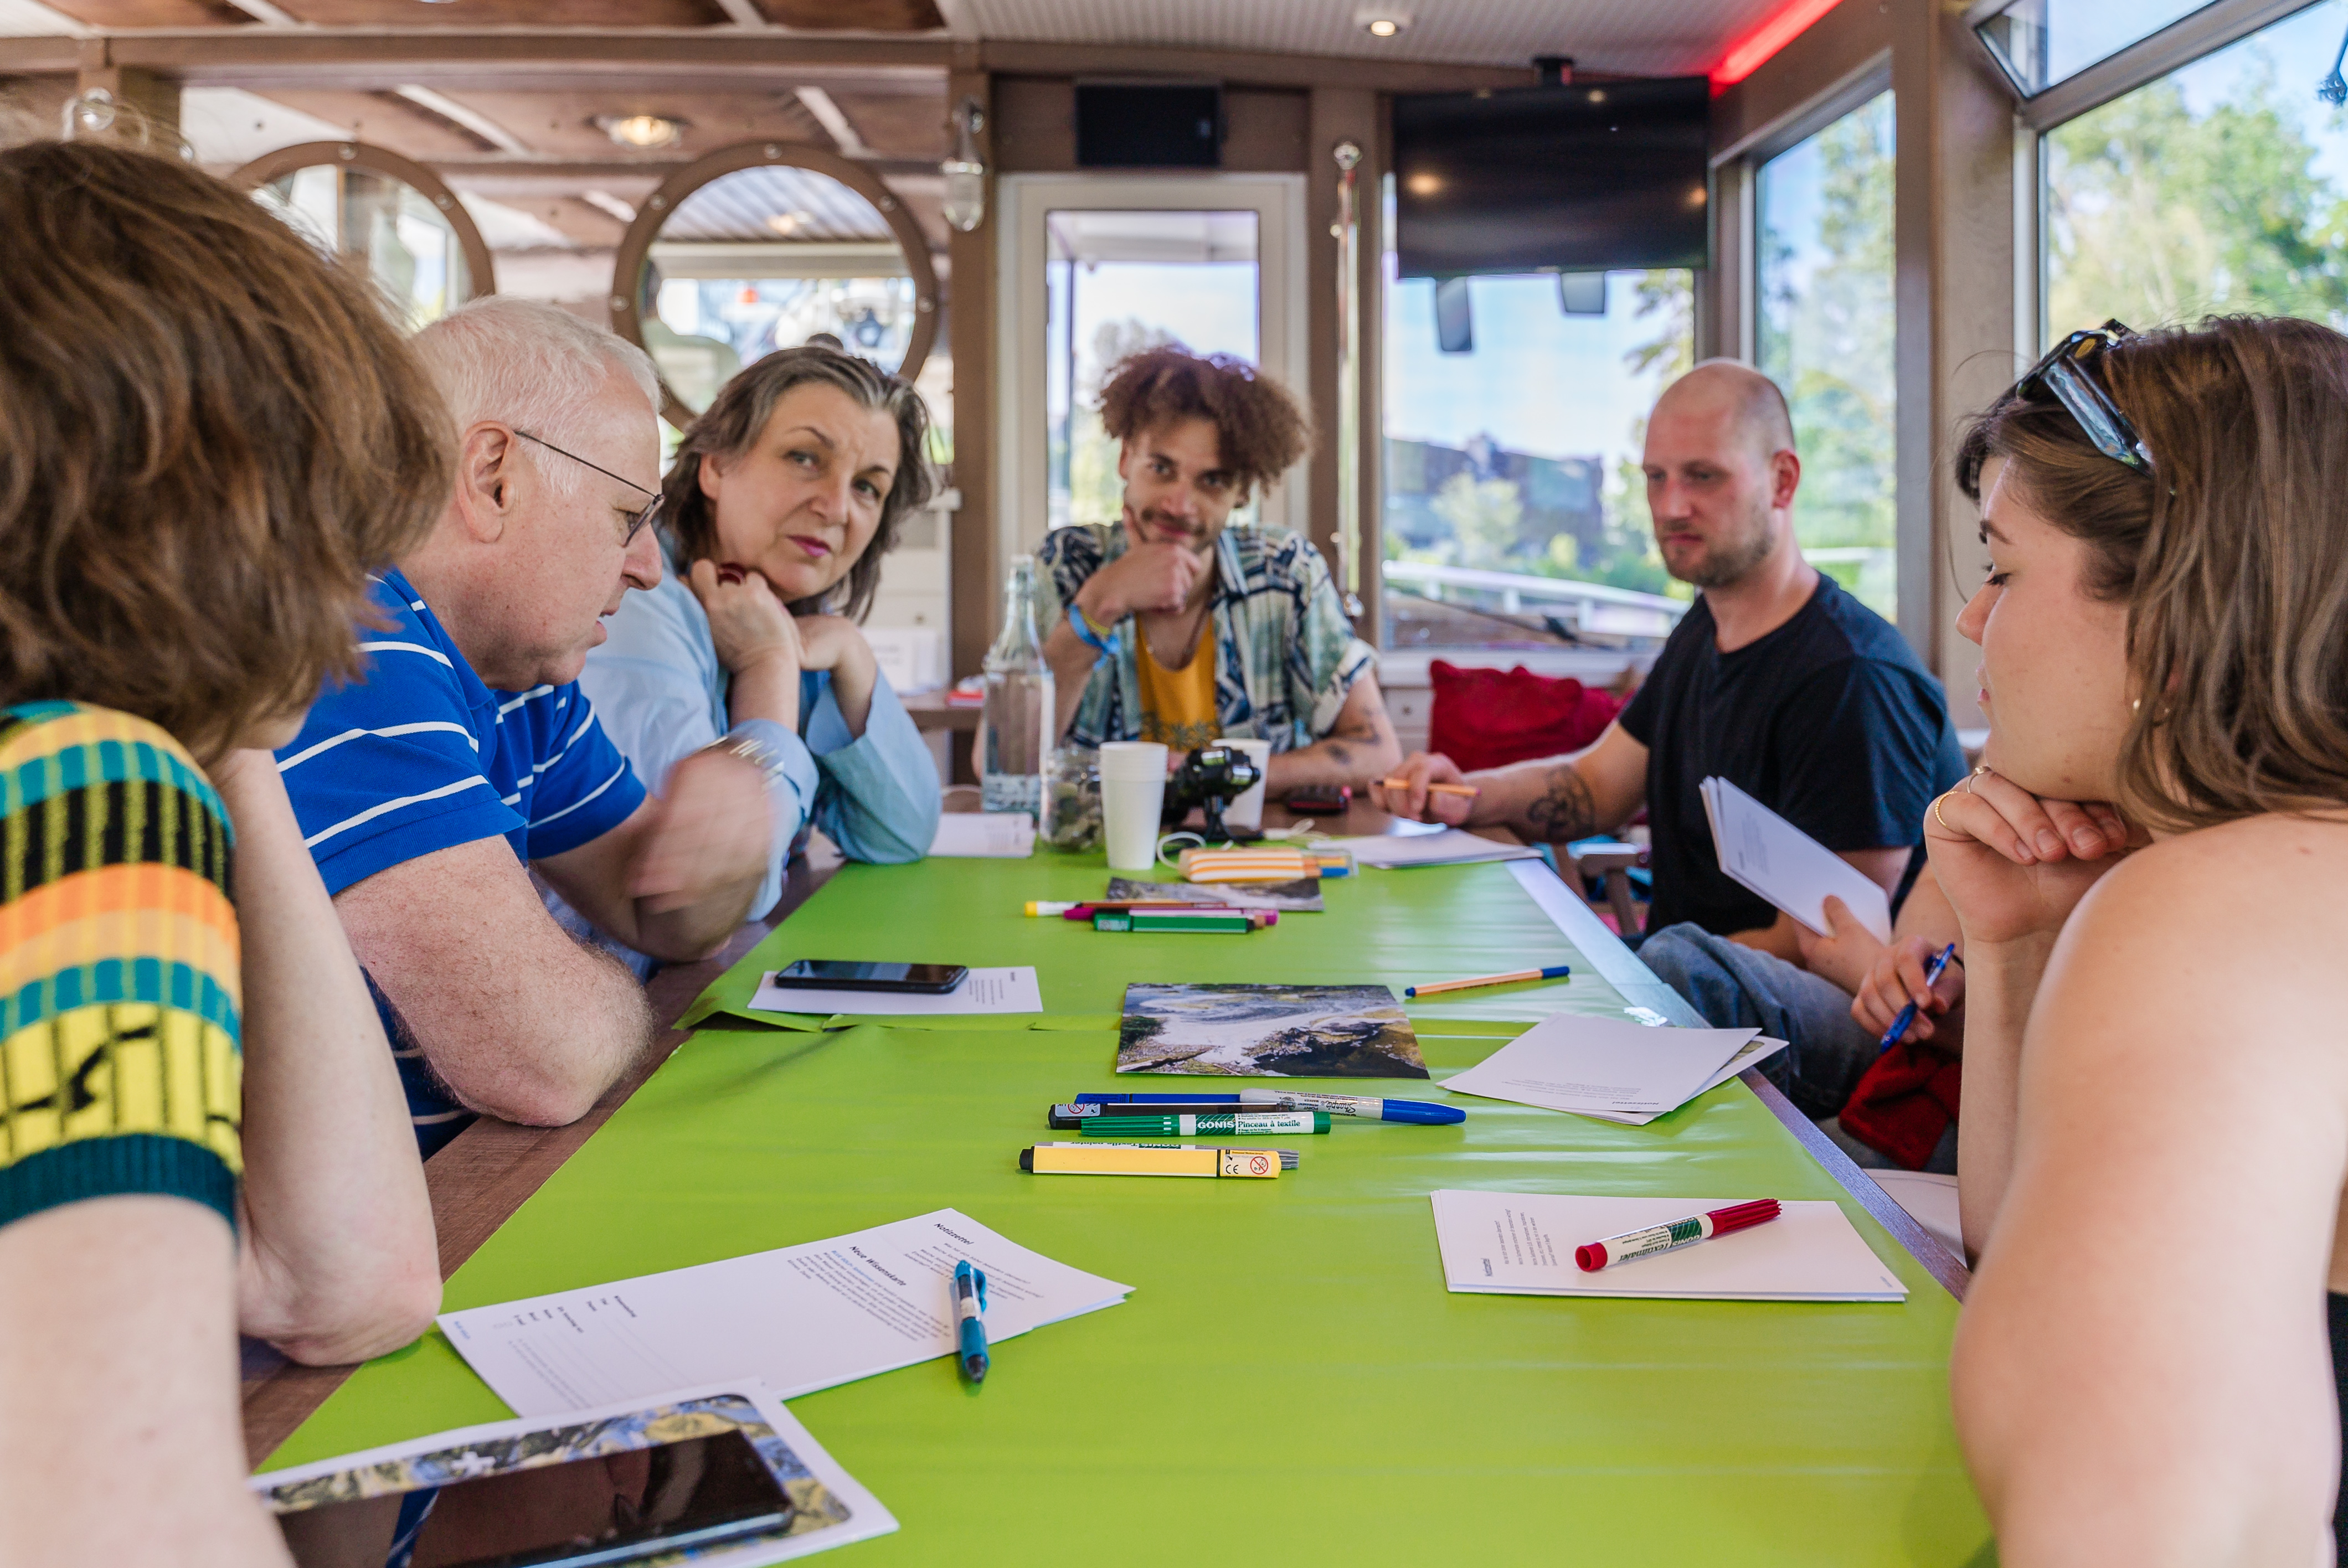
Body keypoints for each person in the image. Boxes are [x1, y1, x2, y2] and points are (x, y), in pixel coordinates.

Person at [0, 140, 442, 1564]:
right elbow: (130, 1529)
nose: (355, 619)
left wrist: (224, 723)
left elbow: (346, 1278)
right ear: (210, 512)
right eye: (332, 543)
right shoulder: (69, 798)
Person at [1927, 316, 2348, 1561]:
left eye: (2003, 569)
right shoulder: (2271, 880)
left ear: (2172, 600)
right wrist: (2013, 947)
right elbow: (2030, 1256)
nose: (1972, 620)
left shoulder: (2218, 912)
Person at [1372, 360, 1966, 1137]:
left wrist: (1618, 973)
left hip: (1845, 1019)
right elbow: (1595, 787)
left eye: (1702, 477)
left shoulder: (1853, 676)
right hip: (1687, 976)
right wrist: (1465, 794)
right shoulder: (1704, 629)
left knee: (1674, 964)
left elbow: (1829, 936)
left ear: (1782, 481)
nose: (1670, 506)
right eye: (1655, 478)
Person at [275, 297, 773, 1157]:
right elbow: (544, 1062)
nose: (648, 568)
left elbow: (666, 915)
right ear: (493, 477)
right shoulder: (353, 641)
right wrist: (618, 988)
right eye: (627, 517)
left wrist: (725, 838)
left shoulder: (517, 676)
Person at [575, 347, 941, 972]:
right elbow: (722, 893)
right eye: (805, 458)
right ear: (716, 466)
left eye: (867, 487)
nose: (837, 507)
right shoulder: (634, 599)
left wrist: (851, 654)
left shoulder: (781, 611)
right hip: (627, 1005)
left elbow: (901, 831)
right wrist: (769, 666)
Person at [1038, 347, 1399, 790]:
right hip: (1100, 835)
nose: (1179, 505)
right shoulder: (1068, 563)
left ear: (1243, 491)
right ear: (1125, 459)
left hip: (1253, 837)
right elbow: (1003, 763)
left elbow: (1378, 753)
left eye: (1212, 480)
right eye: (1161, 468)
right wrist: (1100, 603)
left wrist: (1218, 775)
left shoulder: (1285, 572)